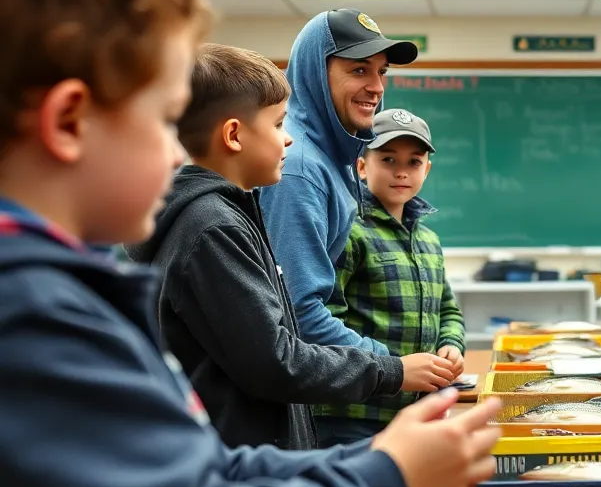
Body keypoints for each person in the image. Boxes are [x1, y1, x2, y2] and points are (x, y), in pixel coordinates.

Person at [0, 0, 501, 487]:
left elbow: (199, 472)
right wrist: (385, 477)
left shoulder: (65, 291)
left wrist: (379, 458)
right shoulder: (35, 317)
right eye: (164, 116)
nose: (180, 150)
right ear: (70, 122)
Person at [127, 44, 411, 451]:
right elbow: (277, 361)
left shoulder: (231, 213)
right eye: (279, 125)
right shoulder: (213, 228)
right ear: (234, 135)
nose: (289, 140)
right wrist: (390, 371)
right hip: (239, 463)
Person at [259, 8, 427, 359]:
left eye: (382, 72)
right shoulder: (299, 167)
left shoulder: (332, 156)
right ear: (317, 74)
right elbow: (298, 313)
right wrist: (392, 366)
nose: (377, 87)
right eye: (359, 69)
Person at [317, 108, 466, 447]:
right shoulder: (349, 231)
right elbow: (324, 319)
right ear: (361, 166)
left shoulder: (428, 240)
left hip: (416, 413)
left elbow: (449, 310)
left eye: (414, 162)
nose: (402, 172)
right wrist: (391, 368)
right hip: (354, 417)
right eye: (388, 159)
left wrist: (451, 345)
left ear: (426, 170)